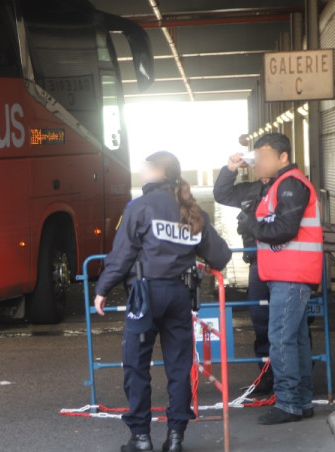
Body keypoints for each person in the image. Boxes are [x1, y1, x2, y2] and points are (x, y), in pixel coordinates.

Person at [95, 151, 232, 452]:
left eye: (145, 168)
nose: (141, 172)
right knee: (180, 367)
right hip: (180, 297)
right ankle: (175, 438)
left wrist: (102, 289)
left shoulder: (139, 208)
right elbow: (220, 256)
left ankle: (141, 438)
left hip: (145, 295)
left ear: (156, 172)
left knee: (136, 365)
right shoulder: (193, 210)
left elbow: (121, 256)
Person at [236, 133, 323, 425]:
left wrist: (251, 223)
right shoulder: (281, 184)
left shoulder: (290, 184)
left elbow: (284, 228)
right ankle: (301, 402)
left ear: (283, 157)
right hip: (287, 274)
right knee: (295, 340)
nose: (258, 163)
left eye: (263, 156)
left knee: (281, 339)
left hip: (291, 274)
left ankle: (288, 404)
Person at [213, 152, 273, 395]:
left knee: (288, 323)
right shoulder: (252, 190)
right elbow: (222, 194)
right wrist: (230, 168)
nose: (259, 165)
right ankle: (267, 375)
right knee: (261, 322)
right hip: (258, 263)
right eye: (257, 160)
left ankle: (294, 377)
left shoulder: (291, 187)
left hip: (285, 262)